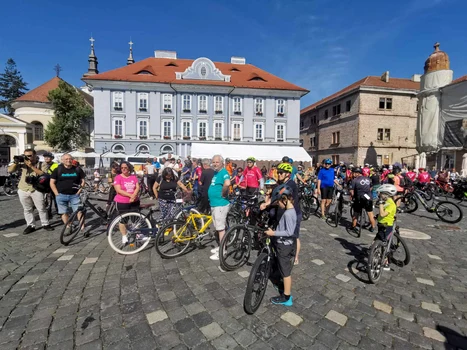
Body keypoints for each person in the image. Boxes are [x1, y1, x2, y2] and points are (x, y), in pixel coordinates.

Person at [7, 149, 54, 234]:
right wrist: (16, 162)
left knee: (41, 208)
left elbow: (43, 174)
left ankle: (45, 223)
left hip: (36, 189)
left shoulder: (42, 164)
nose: (28, 158)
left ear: (35, 155)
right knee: (27, 209)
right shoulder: (22, 164)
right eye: (26, 156)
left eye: (30, 156)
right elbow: (10, 170)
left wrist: (32, 166)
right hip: (23, 188)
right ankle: (30, 225)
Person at [265, 184, 297, 306]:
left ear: (284, 200)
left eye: (279, 202)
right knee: (283, 269)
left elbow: (289, 232)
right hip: (283, 244)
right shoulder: (290, 210)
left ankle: (286, 297)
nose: (278, 204)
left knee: (285, 272)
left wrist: (273, 233)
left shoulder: (289, 214)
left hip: (284, 246)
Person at [50, 154, 86, 234]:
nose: (68, 160)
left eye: (70, 159)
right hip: (61, 195)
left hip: (74, 195)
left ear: (72, 160)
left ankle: (82, 228)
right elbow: (52, 182)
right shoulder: (58, 170)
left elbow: (83, 181)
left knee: (79, 212)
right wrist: (56, 193)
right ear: (62, 160)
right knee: (64, 212)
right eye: (66, 159)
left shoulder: (77, 169)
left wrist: (79, 191)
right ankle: (68, 226)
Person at [276, 162, 302, 265]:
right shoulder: (282, 183)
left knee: (294, 236)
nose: (278, 174)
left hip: (294, 214)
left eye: (281, 173)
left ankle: (296, 257)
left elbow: (280, 197)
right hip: (286, 213)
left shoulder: (290, 184)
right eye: (278, 172)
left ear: (287, 174)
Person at [208, 155, 231, 261]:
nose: (215, 164)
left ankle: (223, 251)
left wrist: (223, 193)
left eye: (217, 162)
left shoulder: (224, 172)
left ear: (222, 162)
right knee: (218, 227)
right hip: (215, 204)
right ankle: (221, 246)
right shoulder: (216, 172)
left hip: (220, 204)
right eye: (213, 162)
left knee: (221, 229)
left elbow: (227, 183)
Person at [113, 161, 140, 244]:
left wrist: (134, 195)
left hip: (134, 201)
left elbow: (137, 187)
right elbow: (118, 190)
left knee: (135, 219)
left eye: (125, 167)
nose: (123, 169)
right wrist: (130, 195)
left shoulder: (133, 177)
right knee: (123, 220)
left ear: (129, 168)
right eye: (122, 168)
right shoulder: (118, 177)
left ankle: (136, 234)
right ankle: (124, 235)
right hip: (122, 201)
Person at [374, 184, 398, 271]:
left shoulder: (391, 204)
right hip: (381, 225)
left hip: (386, 226)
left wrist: (380, 204)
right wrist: (377, 216)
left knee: (383, 244)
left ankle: (385, 263)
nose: (379, 195)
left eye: (381, 194)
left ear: (386, 194)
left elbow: (383, 214)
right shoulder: (387, 202)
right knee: (376, 243)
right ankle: (377, 258)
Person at [349, 167, 376, 233]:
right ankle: (373, 227)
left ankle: (354, 226)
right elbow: (371, 187)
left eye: (354, 173)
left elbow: (352, 191)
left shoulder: (354, 180)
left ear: (357, 173)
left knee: (356, 212)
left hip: (359, 198)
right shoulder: (368, 179)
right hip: (368, 197)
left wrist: (352, 196)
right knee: (370, 213)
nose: (353, 174)